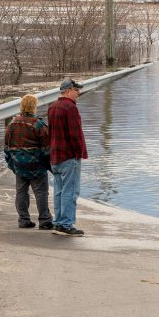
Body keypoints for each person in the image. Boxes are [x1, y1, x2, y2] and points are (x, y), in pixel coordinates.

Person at [4, 94, 52, 230]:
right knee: (41, 192)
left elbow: (6, 148)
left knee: (21, 192)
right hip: (36, 165)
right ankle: (45, 221)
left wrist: (12, 164)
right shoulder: (38, 124)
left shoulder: (12, 124)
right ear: (34, 107)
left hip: (19, 165)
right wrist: (50, 166)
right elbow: (46, 149)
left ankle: (24, 220)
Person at [48, 78, 87, 237]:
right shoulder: (70, 108)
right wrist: (79, 153)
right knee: (70, 192)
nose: (78, 93)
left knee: (58, 191)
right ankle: (66, 224)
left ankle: (58, 223)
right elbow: (75, 135)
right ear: (68, 90)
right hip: (68, 156)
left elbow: (50, 133)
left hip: (55, 156)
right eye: (76, 90)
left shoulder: (52, 107)